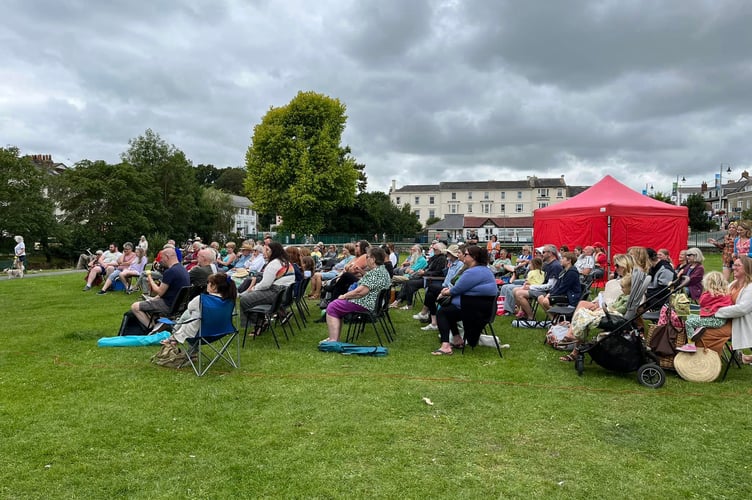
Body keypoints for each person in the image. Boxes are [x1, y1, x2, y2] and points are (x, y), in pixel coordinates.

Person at [431, 245, 497, 355]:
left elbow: (456, 289)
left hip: (474, 310)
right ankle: (457, 339)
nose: (462, 256)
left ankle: (446, 346)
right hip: (483, 308)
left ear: (474, 257)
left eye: (465, 254)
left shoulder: (472, 272)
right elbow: (460, 288)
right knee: (448, 309)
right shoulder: (485, 270)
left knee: (442, 312)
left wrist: (444, 292)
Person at [320, 247, 391, 343]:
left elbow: (360, 292)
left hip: (365, 304)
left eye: (367, 257)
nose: (366, 259)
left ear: (373, 259)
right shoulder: (382, 271)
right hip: (374, 304)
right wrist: (362, 273)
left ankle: (333, 339)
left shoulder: (375, 273)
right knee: (337, 305)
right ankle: (335, 338)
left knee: (332, 306)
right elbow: (370, 284)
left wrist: (345, 296)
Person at [559, 274, 632, 362]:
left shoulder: (627, 298)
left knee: (584, 315)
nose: (621, 289)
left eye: (623, 287)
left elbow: (621, 309)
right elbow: (613, 304)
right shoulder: (622, 296)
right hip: (608, 311)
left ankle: (575, 340)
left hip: (613, 315)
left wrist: (607, 308)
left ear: (629, 288)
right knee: (582, 311)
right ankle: (575, 339)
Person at [696, 256, 752, 361]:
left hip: (738, 324)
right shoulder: (733, 284)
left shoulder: (750, 287)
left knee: (704, 332)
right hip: (726, 320)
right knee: (698, 328)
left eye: (737, 265)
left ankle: (707, 363)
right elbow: (720, 298)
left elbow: (742, 309)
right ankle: (703, 359)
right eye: (733, 265)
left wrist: (716, 311)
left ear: (747, 268)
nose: (733, 267)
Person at [161, 272, 238, 345]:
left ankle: (173, 336)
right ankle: (178, 342)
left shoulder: (202, 299)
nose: (207, 284)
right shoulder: (229, 301)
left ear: (214, 286)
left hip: (199, 334)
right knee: (195, 315)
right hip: (221, 332)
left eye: (208, 282)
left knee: (189, 314)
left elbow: (190, 307)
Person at [239, 242, 296, 333]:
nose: (265, 252)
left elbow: (265, 284)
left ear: (274, 251)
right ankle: (261, 322)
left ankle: (258, 324)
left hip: (277, 293)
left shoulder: (274, 264)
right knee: (253, 296)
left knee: (245, 299)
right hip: (286, 293)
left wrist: (253, 288)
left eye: (267, 250)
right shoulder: (286, 262)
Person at [131, 247, 191, 329]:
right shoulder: (183, 270)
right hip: (178, 306)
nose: (160, 260)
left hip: (168, 306)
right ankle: (157, 324)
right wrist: (153, 299)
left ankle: (152, 328)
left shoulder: (170, 272)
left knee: (135, 306)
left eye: (162, 257)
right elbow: (166, 292)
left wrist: (150, 278)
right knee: (149, 301)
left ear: (167, 257)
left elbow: (159, 292)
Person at [413, 244, 465, 330]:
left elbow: (454, 281)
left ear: (453, 255)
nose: (447, 255)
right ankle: (433, 322)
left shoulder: (459, 265)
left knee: (430, 287)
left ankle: (425, 313)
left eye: (448, 253)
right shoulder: (451, 263)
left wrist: (445, 290)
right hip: (444, 286)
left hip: (450, 289)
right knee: (430, 294)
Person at [678, 271, 733, 352]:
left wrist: (705, 292)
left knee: (689, 322)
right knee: (690, 317)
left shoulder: (711, 294)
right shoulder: (725, 294)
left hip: (714, 320)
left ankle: (691, 345)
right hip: (718, 319)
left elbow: (702, 302)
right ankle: (698, 330)